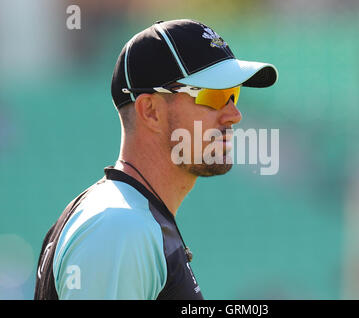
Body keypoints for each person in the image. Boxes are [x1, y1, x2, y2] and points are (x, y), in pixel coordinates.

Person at [34, 19, 278, 300]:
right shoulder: (120, 227)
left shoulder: (129, 220)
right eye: (214, 95)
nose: (234, 115)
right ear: (150, 111)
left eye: (234, 94)